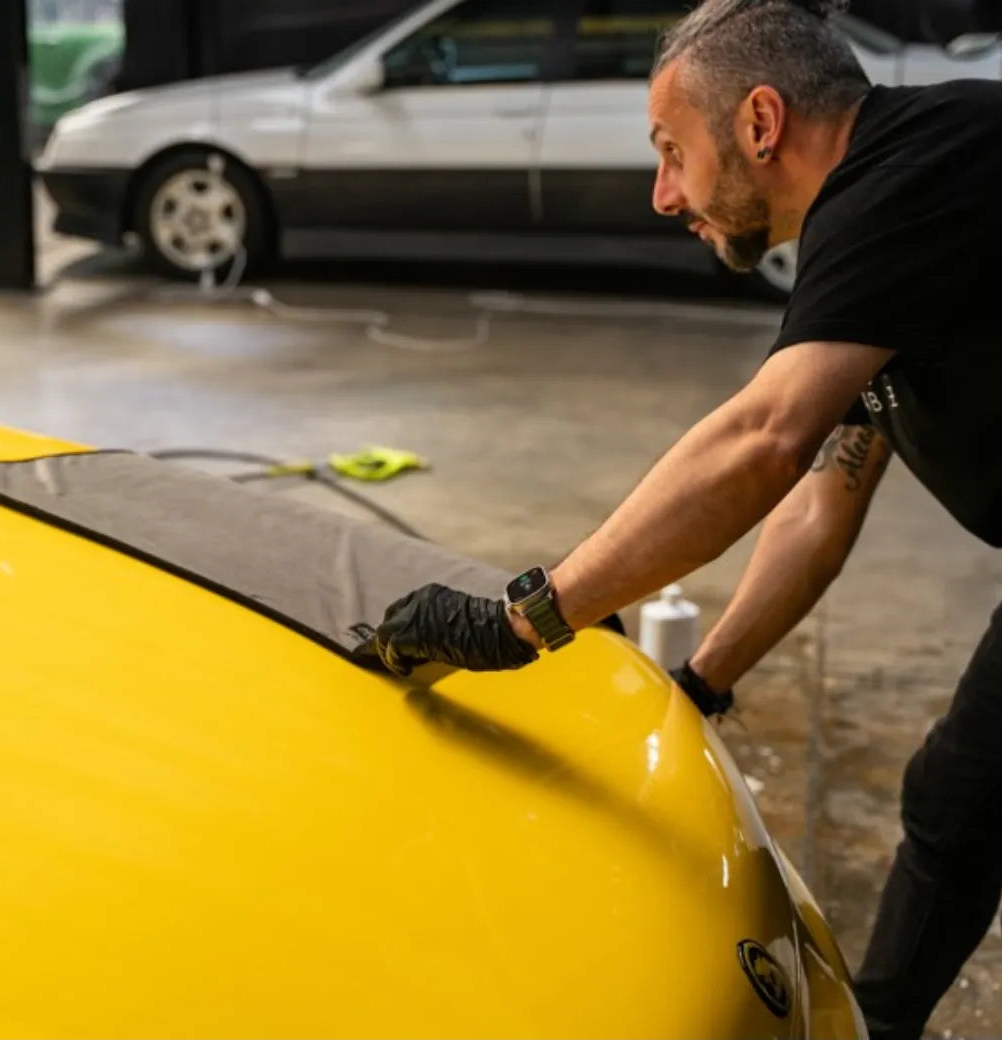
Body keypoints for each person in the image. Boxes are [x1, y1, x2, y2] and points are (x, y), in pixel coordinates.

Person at [355, 0, 1002, 1035]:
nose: (665, 195)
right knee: (956, 801)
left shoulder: (924, 165)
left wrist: (519, 619)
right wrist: (704, 680)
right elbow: (820, 500)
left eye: (670, 152)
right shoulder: (899, 218)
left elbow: (760, 440)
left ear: (757, 122)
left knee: (960, 799)